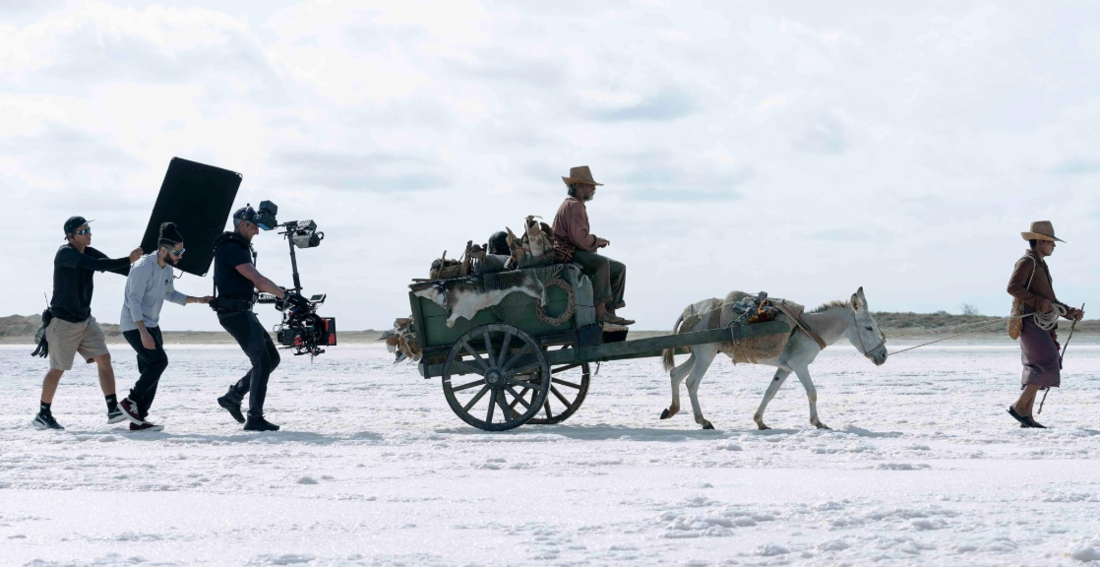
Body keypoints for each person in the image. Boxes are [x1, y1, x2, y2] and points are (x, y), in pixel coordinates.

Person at [33, 216, 142, 430]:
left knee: (104, 358)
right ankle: (43, 414)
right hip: (63, 322)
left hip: (85, 320)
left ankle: (112, 408)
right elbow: (97, 265)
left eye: (89, 229)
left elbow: (117, 268)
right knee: (57, 369)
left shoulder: (88, 252)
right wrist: (128, 259)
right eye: (83, 231)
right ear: (71, 236)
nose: (89, 233)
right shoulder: (65, 253)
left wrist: (150, 267)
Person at [211, 205, 310, 431]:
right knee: (261, 361)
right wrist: (288, 296)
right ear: (243, 224)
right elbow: (257, 279)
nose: (257, 232)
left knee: (271, 359)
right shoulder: (232, 248)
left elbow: (248, 282)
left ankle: (233, 397)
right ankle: (254, 418)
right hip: (234, 314)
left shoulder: (238, 247)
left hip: (241, 311)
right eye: (254, 227)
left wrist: (280, 296)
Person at [116, 223, 212, 431]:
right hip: (134, 324)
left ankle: (138, 419)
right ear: (163, 250)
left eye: (182, 251)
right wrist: (142, 332)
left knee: (150, 369)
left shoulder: (167, 269)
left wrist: (199, 300)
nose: (180, 255)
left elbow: (170, 294)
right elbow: (133, 300)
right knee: (159, 362)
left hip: (151, 324)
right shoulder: (143, 267)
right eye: (177, 252)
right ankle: (129, 402)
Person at [1006, 221, 1084, 428]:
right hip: (1030, 321)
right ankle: (1019, 406)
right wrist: (1038, 303)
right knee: (1047, 361)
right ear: (1040, 241)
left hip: (1040, 323)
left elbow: (1049, 299)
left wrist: (1069, 312)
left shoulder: (1040, 264)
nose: (1054, 246)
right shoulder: (1027, 262)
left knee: (1039, 364)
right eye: (1051, 242)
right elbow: (1013, 287)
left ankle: (1027, 417)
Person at [551, 165, 633, 326]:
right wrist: (597, 241)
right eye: (589, 186)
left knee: (618, 268)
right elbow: (578, 238)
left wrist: (594, 241)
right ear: (578, 186)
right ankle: (601, 312)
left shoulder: (573, 204)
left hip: (574, 249)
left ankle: (611, 311)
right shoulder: (574, 205)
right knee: (601, 263)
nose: (593, 189)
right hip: (568, 252)